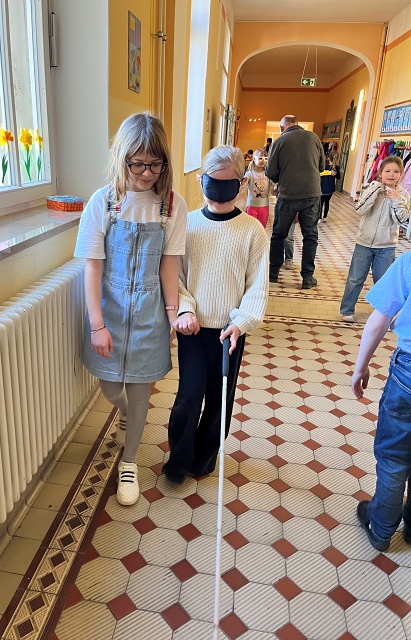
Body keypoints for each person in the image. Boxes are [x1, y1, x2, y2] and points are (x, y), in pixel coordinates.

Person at [74, 112, 187, 505]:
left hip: (150, 314)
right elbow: (93, 266)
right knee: (110, 387)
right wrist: (96, 325)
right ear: (121, 159)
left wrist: (172, 315)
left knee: (140, 392)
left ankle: (130, 461)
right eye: (138, 164)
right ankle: (125, 414)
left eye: (156, 164)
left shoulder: (171, 205)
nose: (147, 173)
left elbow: (169, 265)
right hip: (109, 311)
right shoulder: (103, 202)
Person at [163, 145, 269, 483]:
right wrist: (184, 309)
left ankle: (203, 458)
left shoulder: (252, 230)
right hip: (192, 329)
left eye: (228, 185)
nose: (219, 194)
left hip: (229, 332)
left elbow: (257, 285)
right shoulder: (188, 226)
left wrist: (241, 322)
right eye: (213, 184)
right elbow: (176, 278)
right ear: (200, 181)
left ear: (241, 184)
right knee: (189, 395)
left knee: (219, 398)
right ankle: (179, 459)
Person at [351, 250, 411, 551]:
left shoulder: (409, 262)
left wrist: (361, 367)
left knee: (394, 456)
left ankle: (381, 528)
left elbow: (379, 319)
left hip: (408, 373)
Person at [340, 156, 410, 322]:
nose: (391, 175)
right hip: (364, 243)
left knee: (384, 281)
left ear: (401, 174)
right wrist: (375, 190)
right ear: (380, 173)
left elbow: (402, 219)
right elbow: (360, 210)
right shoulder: (371, 188)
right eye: (387, 171)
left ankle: (383, 313)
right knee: (355, 279)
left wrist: (396, 199)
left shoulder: (403, 194)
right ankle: (347, 310)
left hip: (387, 246)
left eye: (396, 171)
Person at [266, 115, 325, 289]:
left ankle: (273, 273)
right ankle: (308, 277)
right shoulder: (314, 137)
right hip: (312, 194)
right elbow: (322, 167)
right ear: (297, 124)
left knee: (279, 235)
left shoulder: (279, 141)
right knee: (310, 237)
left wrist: (283, 178)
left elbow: (271, 171)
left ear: (282, 127)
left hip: (288, 194)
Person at [244, 148, 273, 227]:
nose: (263, 160)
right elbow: (245, 181)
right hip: (252, 206)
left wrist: (276, 188)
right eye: (260, 158)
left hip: (264, 206)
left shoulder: (268, 174)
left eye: (265, 158)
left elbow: (274, 186)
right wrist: (242, 184)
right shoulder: (250, 173)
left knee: (261, 228)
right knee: (251, 228)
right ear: (254, 159)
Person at [320, 152, 341, 222]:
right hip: (330, 188)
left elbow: (319, 174)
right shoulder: (336, 168)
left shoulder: (324, 167)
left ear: (328, 158)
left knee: (321, 203)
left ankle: (319, 218)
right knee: (327, 202)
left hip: (322, 187)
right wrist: (334, 174)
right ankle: (325, 217)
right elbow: (338, 177)